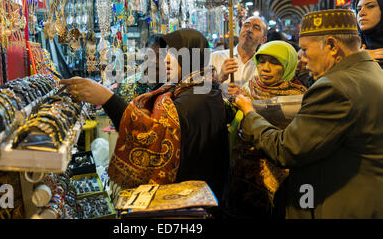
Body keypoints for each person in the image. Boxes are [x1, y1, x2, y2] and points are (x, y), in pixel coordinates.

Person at [234, 9, 383, 218]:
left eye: (305, 49)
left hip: (335, 205)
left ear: (331, 45)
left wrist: (250, 114)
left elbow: (287, 149)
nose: (302, 58)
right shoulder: (372, 71)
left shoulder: (335, 87)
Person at [61, 29, 229, 202]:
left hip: (191, 203)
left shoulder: (195, 99)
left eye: (172, 54)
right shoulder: (199, 89)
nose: (165, 60)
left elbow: (150, 137)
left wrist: (107, 98)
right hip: (194, 195)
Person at [226, 41, 307, 218]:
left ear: (288, 65)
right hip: (241, 175)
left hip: (280, 181)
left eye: (274, 62)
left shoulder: (300, 98)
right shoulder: (249, 87)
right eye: (261, 61)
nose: (266, 68)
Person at [210, 16, 267, 95]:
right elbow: (200, 91)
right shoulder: (215, 57)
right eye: (246, 25)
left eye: (256, 28)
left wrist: (248, 96)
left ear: (263, 40)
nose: (249, 30)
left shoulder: (263, 67)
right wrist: (219, 78)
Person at [115, 34, 163, 103]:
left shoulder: (172, 88)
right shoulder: (128, 84)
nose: (154, 61)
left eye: (160, 57)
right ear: (145, 56)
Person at [354, 0, 383, 68]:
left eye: (370, 6)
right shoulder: (352, 50)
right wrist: (356, 59)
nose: (361, 13)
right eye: (358, 9)